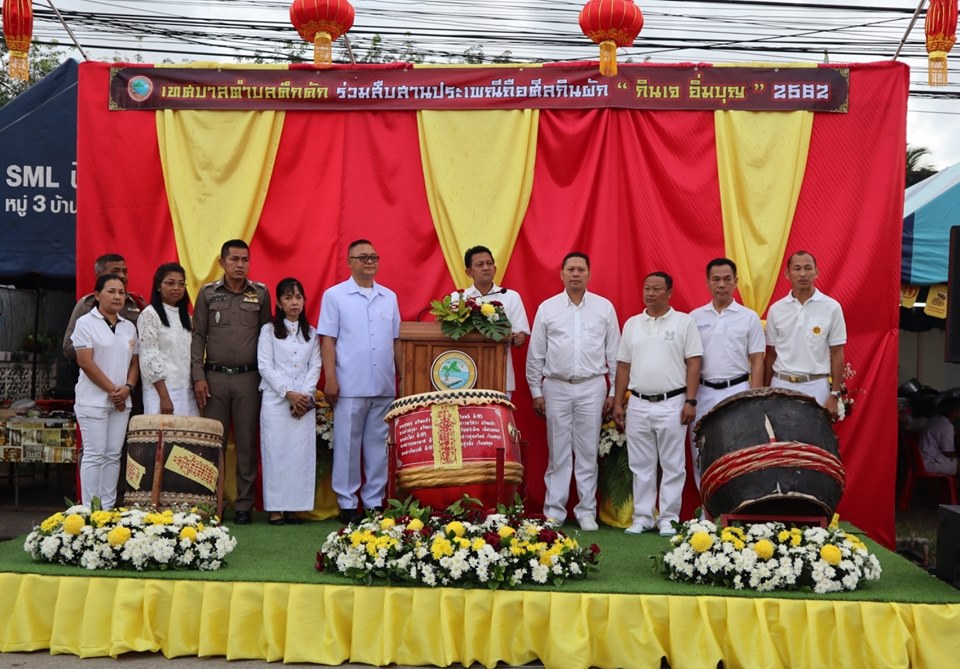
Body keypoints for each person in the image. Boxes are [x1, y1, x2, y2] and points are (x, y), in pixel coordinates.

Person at [526, 252, 620, 531]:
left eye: (581, 269)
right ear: (562, 274)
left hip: (592, 386)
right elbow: (536, 354)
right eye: (571, 269)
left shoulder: (604, 308)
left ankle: (586, 511)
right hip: (555, 386)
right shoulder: (548, 308)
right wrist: (535, 391)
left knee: (588, 452)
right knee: (558, 453)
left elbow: (614, 353)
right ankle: (554, 510)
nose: (576, 274)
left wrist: (614, 390)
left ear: (589, 274)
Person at [318, 239, 401, 525]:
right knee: (347, 445)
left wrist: (401, 378)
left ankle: (374, 501)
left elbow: (395, 340)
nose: (369, 262)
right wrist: (331, 378)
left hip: (383, 384)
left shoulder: (389, 296)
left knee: (378, 446)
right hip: (349, 384)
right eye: (362, 257)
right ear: (349, 262)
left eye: (373, 257)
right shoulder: (335, 295)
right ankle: (347, 502)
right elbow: (327, 338)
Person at [613, 272, 702, 536]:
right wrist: (619, 402)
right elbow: (623, 365)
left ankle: (668, 518)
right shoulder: (632, 324)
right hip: (638, 402)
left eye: (656, 289)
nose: (650, 293)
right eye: (647, 288)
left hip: (672, 401)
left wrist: (690, 400)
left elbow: (694, 363)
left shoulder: (684, 323)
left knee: (673, 464)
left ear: (669, 292)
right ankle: (642, 516)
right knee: (640, 464)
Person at [191, 240, 271, 525]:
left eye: (245, 259)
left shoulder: (260, 294)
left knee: (247, 445)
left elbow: (268, 338)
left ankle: (244, 505)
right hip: (213, 379)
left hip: (249, 379)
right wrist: (198, 377)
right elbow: (198, 336)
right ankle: (211, 503)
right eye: (234, 259)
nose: (240, 265)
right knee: (213, 444)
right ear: (221, 262)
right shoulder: (208, 293)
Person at [688, 258, 765, 488]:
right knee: (700, 449)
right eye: (716, 279)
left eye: (727, 279)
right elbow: (689, 360)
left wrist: (756, 396)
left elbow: (757, 360)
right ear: (708, 283)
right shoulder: (694, 317)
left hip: (738, 391)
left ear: (736, 282)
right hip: (703, 392)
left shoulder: (748, 317)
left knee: (737, 449)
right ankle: (706, 513)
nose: (721, 284)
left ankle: (733, 511)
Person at [71, 274, 139, 509]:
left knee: (113, 455)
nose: (118, 296)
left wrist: (127, 388)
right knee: (94, 453)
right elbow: (85, 362)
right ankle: (90, 510)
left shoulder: (129, 326)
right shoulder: (85, 323)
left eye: (121, 292)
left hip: (121, 401)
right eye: (111, 291)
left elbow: (134, 362)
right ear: (97, 295)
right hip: (93, 401)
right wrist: (113, 391)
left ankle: (107, 509)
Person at [258, 278, 322, 526]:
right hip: (275, 401)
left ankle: (295, 507)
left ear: (304, 301)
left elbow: (314, 366)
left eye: (298, 297)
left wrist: (304, 398)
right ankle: (275, 509)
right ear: (279, 303)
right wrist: (288, 393)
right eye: (288, 298)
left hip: (302, 405)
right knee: (276, 453)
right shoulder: (268, 331)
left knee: (300, 455)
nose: (294, 302)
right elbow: (265, 366)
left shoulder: (312, 333)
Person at [764, 251, 847, 419]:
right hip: (781, 385)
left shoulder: (832, 307)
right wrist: (765, 391)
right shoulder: (776, 309)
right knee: (782, 442)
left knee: (814, 442)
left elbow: (837, 353)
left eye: (808, 268)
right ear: (787, 273)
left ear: (816, 272)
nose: (802, 274)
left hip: (816, 386)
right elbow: (771, 353)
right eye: (797, 268)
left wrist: (835, 394)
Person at [451, 246, 530, 397]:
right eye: (480, 265)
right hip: (464, 375)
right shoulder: (458, 298)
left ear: (495, 268)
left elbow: (520, 336)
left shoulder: (510, 297)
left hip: (500, 374)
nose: (486, 268)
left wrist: (518, 338)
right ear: (469, 271)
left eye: (489, 263)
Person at [137, 263, 198, 416]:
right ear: (158, 286)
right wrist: (164, 397)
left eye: (181, 284)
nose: (176, 287)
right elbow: (149, 357)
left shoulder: (186, 318)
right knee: (164, 438)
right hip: (161, 391)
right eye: (170, 283)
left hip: (186, 390)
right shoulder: (149, 315)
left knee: (186, 438)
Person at [63, 253, 145, 361]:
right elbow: (67, 348)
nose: (122, 276)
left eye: (125, 271)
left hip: (130, 371)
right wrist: (100, 345)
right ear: (98, 276)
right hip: (95, 370)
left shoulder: (138, 303)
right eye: (115, 271)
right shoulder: (86, 304)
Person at [918, 396, 960, 475]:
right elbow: (948, 453)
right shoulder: (946, 426)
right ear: (953, 412)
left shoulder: (935, 419)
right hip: (930, 462)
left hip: (922, 459)